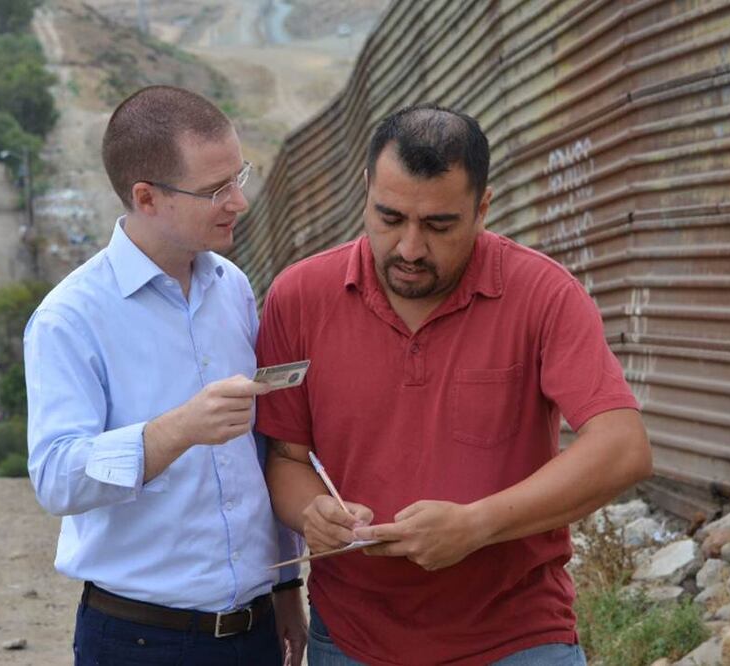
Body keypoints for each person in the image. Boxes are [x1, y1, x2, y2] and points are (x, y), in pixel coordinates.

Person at [255, 104, 653, 665]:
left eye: (439, 225)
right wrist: (313, 514)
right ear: (365, 189)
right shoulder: (299, 297)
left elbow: (623, 449)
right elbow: (285, 458)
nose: (411, 248)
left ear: (482, 208)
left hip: (518, 639)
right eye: (389, 218)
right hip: (349, 641)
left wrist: (476, 525)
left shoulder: (543, 293)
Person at [24, 85, 307, 666]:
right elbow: (55, 478)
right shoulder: (68, 318)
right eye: (214, 190)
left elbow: (260, 452)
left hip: (254, 631)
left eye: (239, 177)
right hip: (138, 641)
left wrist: (285, 585)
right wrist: (177, 429)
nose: (239, 202)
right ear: (146, 197)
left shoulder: (233, 287)